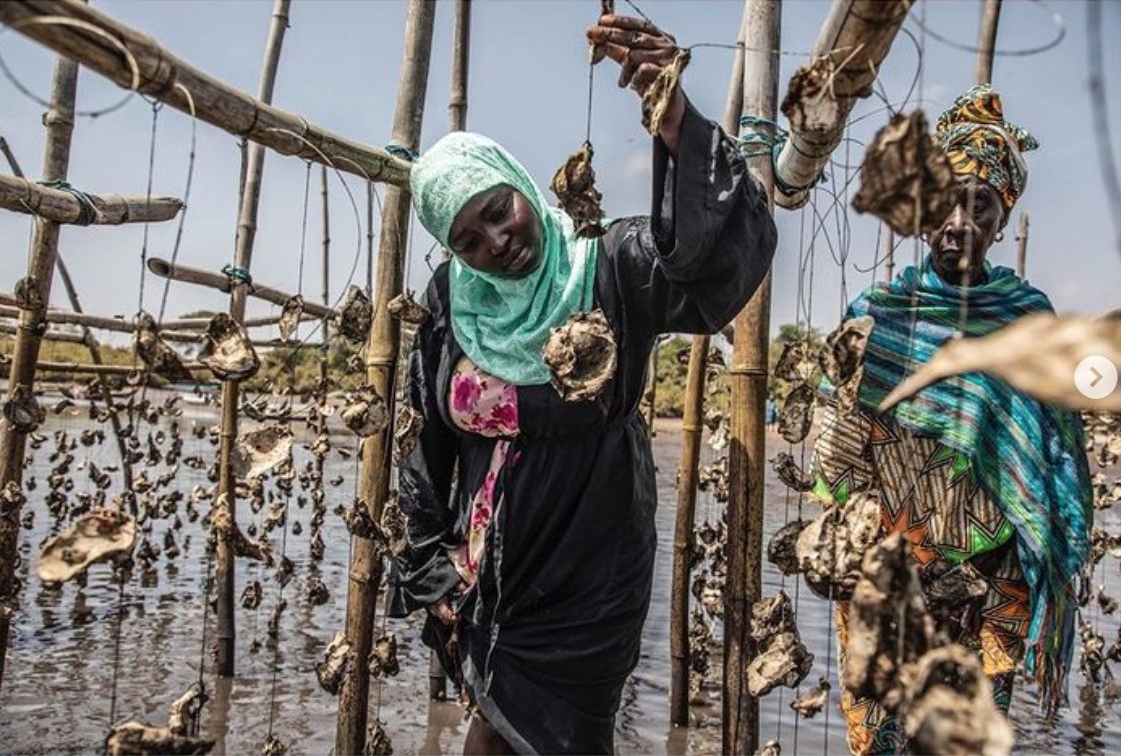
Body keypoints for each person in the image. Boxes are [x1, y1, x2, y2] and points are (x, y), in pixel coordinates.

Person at [385, 13, 776, 755]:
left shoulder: (609, 263)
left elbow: (705, 265)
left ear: (520, 186)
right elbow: (425, 435)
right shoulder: (451, 302)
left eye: (498, 211)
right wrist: (433, 567)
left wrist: (674, 119)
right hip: (490, 582)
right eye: (468, 238)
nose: (496, 243)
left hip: (588, 582)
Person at [811, 85, 1093, 755]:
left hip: (989, 587)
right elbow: (834, 456)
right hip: (889, 578)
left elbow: (1053, 463)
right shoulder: (877, 315)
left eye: (981, 205)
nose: (959, 222)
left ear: (1003, 215)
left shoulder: (1028, 321)